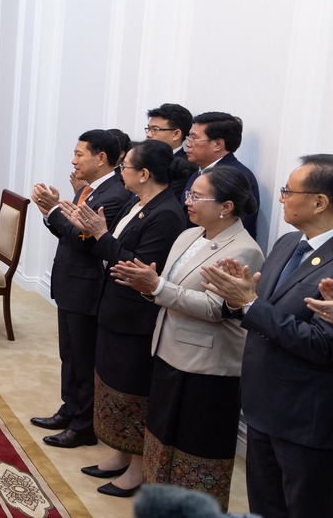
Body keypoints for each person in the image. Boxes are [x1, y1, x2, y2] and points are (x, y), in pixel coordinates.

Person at [110, 167, 262, 510]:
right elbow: (166, 285)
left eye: (196, 196)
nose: (187, 201)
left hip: (207, 366)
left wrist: (157, 287)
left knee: (197, 449)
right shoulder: (189, 235)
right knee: (162, 438)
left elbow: (215, 308)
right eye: (189, 194)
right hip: (168, 350)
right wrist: (148, 285)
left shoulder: (243, 250)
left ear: (225, 205)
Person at [201, 154, 333, 517]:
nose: (281, 198)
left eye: (289, 191)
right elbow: (257, 306)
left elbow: (322, 344)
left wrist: (251, 304)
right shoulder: (289, 243)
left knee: (303, 507)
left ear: (319, 201)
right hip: (261, 403)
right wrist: (239, 298)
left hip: (304, 417)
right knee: (264, 504)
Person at [59, 140, 187, 497]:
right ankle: (119, 454)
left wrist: (100, 235)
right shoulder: (137, 202)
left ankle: (137, 469)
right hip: (112, 308)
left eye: (126, 167)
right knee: (114, 386)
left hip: (136, 317)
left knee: (134, 393)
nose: (120, 172)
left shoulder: (166, 214)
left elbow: (134, 266)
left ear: (144, 174)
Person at [29, 130, 130, 449]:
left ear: (101, 158)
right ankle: (70, 409)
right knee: (69, 355)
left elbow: (83, 241)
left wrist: (52, 210)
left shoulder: (114, 195)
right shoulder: (90, 189)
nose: (73, 160)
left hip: (88, 289)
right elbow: (69, 232)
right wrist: (54, 213)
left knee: (84, 359)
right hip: (70, 284)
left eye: (79, 154)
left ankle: (84, 425)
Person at [183, 112, 260, 239]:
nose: (188, 143)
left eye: (194, 138)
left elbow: (236, 230)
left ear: (218, 144)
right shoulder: (200, 172)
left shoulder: (237, 177)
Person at [145, 103, 198, 200]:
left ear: (176, 134)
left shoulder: (185, 167)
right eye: (148, 129)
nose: (148, 135)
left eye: (155, 129)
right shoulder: (142, 159)